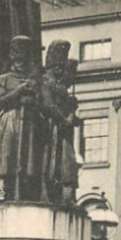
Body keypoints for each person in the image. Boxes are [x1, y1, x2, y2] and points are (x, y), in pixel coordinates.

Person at [0, 35, 42, 202]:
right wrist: (19, 91)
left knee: (27, 157)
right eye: (17, 56)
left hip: (28, 120)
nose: (21, 61)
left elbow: (41, 101)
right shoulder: (2, 79)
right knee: (5, 152)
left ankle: (24, 189)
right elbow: (0, 100)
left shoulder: (34, 81)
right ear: (11, 56)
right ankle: (1, 187)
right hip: (9, 118)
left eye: (24, 58)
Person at [40, 40, 81, 205]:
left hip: (61, 131)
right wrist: (66, 119)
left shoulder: (60, 86)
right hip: (50, 129)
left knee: (65, 163)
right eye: (60, 64)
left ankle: (65, 196)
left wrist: (71, 114)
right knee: (49, 163)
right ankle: (48, 195)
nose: (62, 68)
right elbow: (48, 105)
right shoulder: (45, 82)